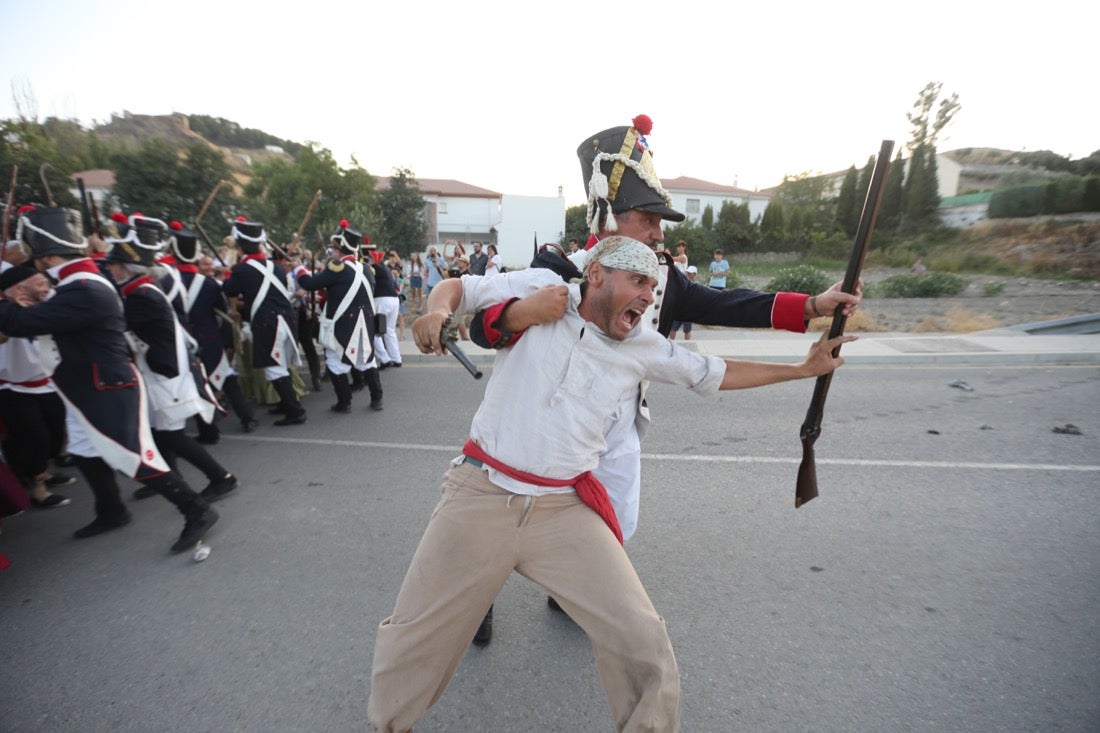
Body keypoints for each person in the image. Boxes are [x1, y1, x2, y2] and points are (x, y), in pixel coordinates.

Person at [371, 235, 854, 732]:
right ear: (598, 276)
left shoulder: (643, 344)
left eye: (652, 286)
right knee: (412, 642)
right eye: (639, 282)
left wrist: (802, 370)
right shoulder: (543, 288)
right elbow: (461, 288)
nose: (648, 297)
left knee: (645, 645)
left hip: (563, 512)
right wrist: (433, 312)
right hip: (482, 493)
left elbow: (715, 373)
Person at [463, 116, 860, 645]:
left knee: (612, 521)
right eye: (648, 220)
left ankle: (573, 588)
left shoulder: (664, 276)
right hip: (545, 423)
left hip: (619, 425)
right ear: (611, 218)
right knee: (505, 515)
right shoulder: (557, 270)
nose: (658, 233)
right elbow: (484, 327)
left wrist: (811, 305)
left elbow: (727, 303)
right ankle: (476, 597)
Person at [0, 207, 218, 551]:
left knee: (134, 458)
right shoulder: (78, 283)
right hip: (86, 387)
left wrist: (10, 303)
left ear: (42, 256)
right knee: (85, 451)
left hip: (105, 386)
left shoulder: (84, 288)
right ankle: (111, 510)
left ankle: (196, 509)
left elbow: (19, 324)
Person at [100, 216, 238, 505]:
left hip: (166, 374)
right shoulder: (139, 290)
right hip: (161, 371)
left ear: (128, 266)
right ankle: (172, 477)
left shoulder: (142, 295)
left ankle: (220, 477)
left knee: (172, 436)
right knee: (163, 435)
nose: (109, 268)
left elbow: (120, 329)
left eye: (113, 263)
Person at [162, 221, 258, 442]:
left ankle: (208, 431)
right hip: (210, 339)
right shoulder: (209, 285)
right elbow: (222, 310)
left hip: (181, 342)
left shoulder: (164, 283)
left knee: (194, 386)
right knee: (226, 381)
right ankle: (247, 418)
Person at [221, 217, 307, 426]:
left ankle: (295, 412)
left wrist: (228, 273)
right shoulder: (275, 267)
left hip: (268, 324)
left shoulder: (242, 269)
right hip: (286, 321)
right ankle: (286, 404)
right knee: (282, 366)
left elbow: (229, 290)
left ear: (240, 246)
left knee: (274, 369)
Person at [0, 265, 72, 508]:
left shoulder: (46, 303)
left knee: (54, 432)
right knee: (34, 437)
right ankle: (38, 488)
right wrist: (13, 315)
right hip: (13, 386)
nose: (45, 288)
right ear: (18, 289)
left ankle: (44, 472)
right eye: (39, 284)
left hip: (47, 381)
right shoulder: (5, 310)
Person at [297, 220, 383, 413]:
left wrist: (298, 269)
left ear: (339, 250)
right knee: (367, 360)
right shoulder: (367, 269)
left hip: (343, 324)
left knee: (336, 362)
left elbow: (310, 284)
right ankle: (377, 399)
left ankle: (344, 403)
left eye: (335, 249)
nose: (333, 252)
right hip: (365, 322)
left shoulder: (337, 268)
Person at [364, 238, 403, 369]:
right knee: (390, 331)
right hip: (394, 299)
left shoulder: (373, 268)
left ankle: (385, 359)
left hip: (382, 300)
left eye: (369, 259)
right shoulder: (385, 268)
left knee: (374, 331)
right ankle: (396, 358)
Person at [668, 265, 697, 340]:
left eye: (690, 273)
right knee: (673, 328)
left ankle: (687, 345)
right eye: (688, 273)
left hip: (688, 311)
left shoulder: (697, 286)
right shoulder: (683, 283)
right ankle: (672, 343)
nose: (689, 275)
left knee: (687, 330)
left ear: (695, 274)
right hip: (679, 309)